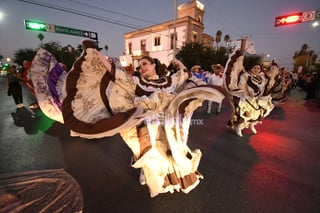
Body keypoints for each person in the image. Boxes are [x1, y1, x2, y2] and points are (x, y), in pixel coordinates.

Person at [28, 40, 225, 197]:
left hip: (168, 124)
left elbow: (185, 77)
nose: (142, 68)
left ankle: (170, 180)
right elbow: (117, 76)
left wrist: (180, 64)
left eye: (145, 64)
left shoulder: (169, 80)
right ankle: (152, 179)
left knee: (173, 153)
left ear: (154, 64)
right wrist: (98, 57)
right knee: (151, 156)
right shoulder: (137, 81)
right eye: (140, 66)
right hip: (146, 125)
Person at [223, 49, 275, 137]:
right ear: (251, 68)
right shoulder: (245, 76)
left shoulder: (262, 78)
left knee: (257, 114)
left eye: (258, 68)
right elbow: (242, 86)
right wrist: (246, 95)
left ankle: (252, 125)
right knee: (243, 114)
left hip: (257, 99)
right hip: (246, 98)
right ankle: (238, 127)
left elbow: (265, 87)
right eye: (255, 68)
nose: (256, 69)